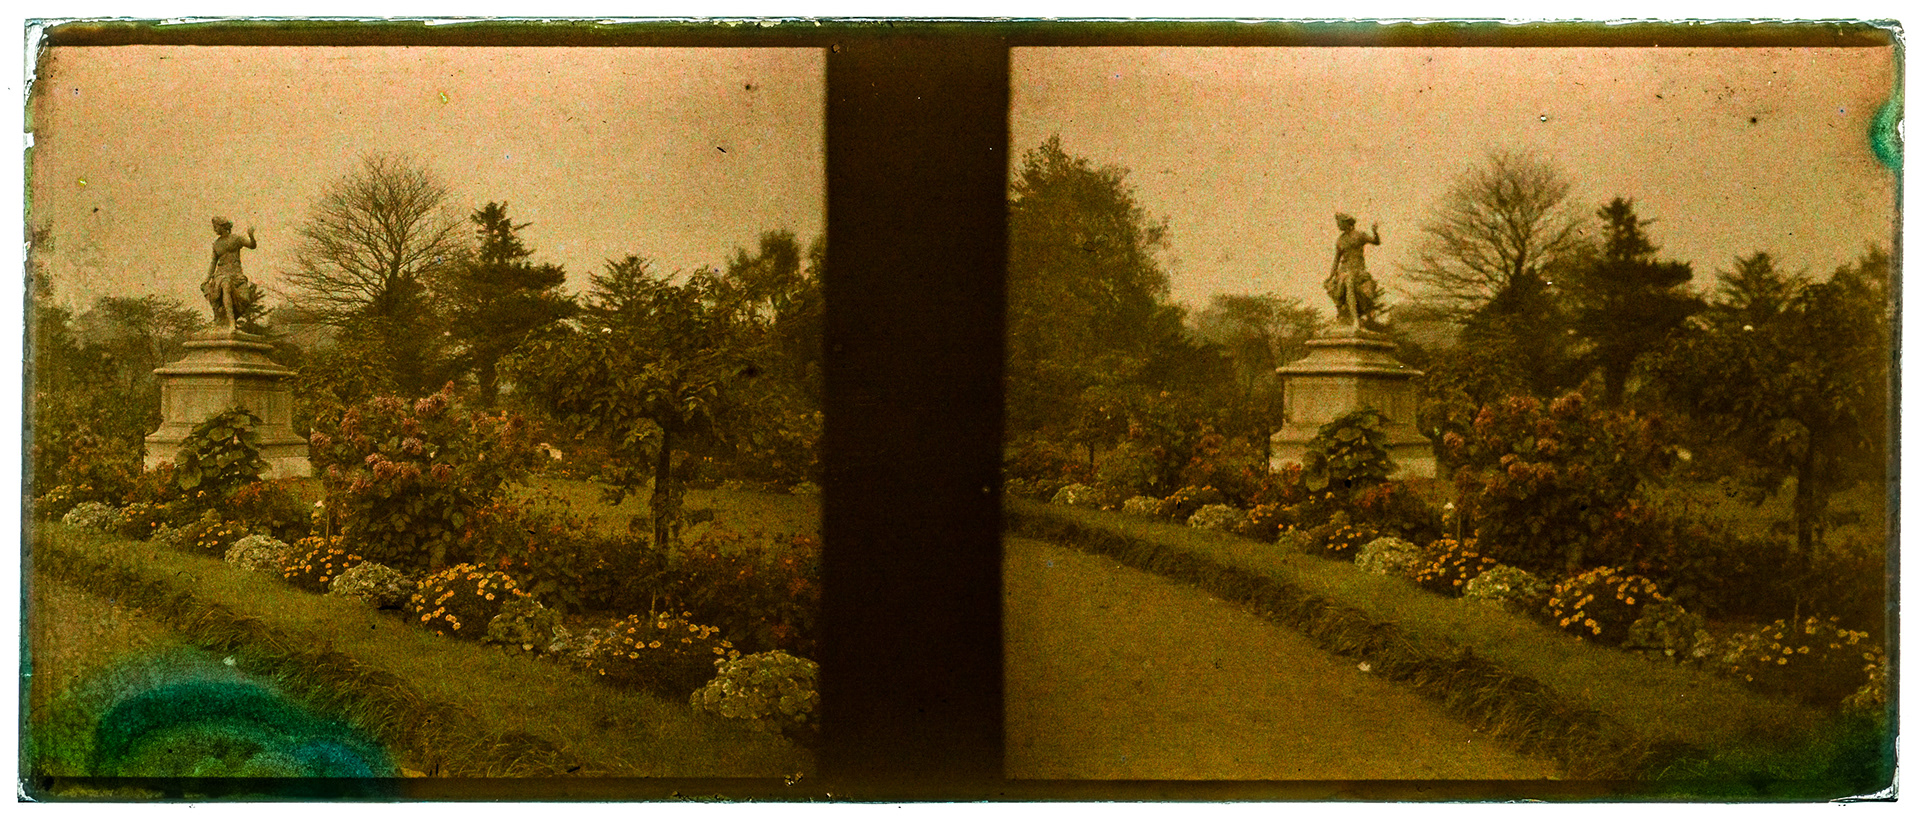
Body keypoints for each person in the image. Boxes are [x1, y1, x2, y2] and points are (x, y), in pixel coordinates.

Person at [203, 216, 259, 328]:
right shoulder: (216, 244)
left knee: (245, 300)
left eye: (216, 227)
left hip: (236, 273)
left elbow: (252, 246)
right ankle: (231, 323)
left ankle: (226, 320)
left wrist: (251, 236)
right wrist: (207, 279)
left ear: (223, 226)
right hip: (222, 273)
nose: (214, 229)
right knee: (226, 286)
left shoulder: (236, 239)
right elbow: (213, 263)